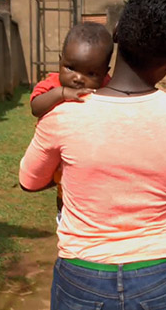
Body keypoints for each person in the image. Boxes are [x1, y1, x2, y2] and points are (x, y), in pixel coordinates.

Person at [19, 0, 166, 310]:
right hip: (159, 276)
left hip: (82, 275)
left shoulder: (63, 110)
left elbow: (29, 182)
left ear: (117, 33)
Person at [29, 22, 113, 223]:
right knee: (64, 191)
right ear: (60, 61)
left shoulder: (107, 87)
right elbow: (36, 107)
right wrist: (61, 93)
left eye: (91, 73)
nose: (78, 79)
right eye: (70, 68)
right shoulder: (53, 84)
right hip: (59, 157)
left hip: (93, 156)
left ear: (104, 73)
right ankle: (63, 217)